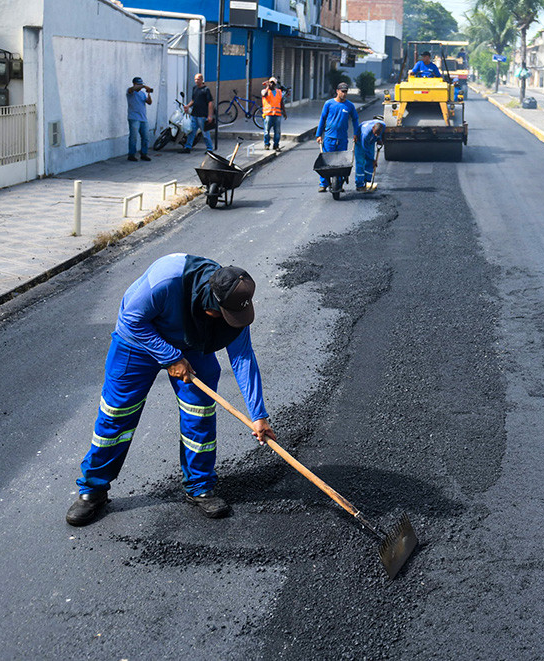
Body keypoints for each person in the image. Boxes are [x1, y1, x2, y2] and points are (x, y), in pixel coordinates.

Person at [66, 254, 277, 527]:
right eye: (225, 316)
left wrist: (258, 415)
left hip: (193, 342)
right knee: (117, 414)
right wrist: (170, 357)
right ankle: (92, 489)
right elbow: (132, 319)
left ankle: (199, 486)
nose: (230, 321)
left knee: (198, 413)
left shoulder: (234, 306)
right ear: (210, 303)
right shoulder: (167, 279)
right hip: (138, 341)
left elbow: (243, 358)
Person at [315, 82, 361, 192]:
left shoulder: (349, 105)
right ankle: (324, 184)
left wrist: (356, 133)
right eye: (342, 91)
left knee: (341, 164)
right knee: (326, 162)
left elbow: (355, 119)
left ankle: (339, 185)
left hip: (342, 139)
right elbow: (322, 119)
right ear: (337, 91)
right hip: (329, 138)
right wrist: (318, 134)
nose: (344, 94)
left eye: (346, 91)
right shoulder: (329, 104)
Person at [180, 73, 215, 154]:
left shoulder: (206, 90)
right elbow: (193, 100)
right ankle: (187, 147)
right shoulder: (194, 88)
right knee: (191, 132)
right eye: (195, 79)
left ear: (202, 80)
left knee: (205, 133)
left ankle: (209, 149)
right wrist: (187, 106)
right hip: (194, 115)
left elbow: (210, 103)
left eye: (198, 79)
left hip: (202, 116)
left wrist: (210, 115)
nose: (196, 81)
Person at [126, 77, 154, 162]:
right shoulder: (130, 91)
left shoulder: (142, 94)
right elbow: (133, 89)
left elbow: (149, 102)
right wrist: (144, 86)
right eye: (138, 84)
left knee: (145, 137)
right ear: (134, 84)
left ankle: (144, 154)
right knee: (133, 137)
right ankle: (131, 154)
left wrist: (149, 93)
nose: (140, 86)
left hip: (143, 118)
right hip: (134, 118)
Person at [355, 119, 385, 191]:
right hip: (360, 142)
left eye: (378, 134)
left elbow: (379, 134)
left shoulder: (383, 126)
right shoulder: (365, 134)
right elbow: (365, 148)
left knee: (370, 163)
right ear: (372, 128)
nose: (376, 135)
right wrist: (372, 159)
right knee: (361, 162)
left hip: (371, 141)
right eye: (375, 133)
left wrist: (379, 139)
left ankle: (367, 181)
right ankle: (359, 185)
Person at [261, 77, 287, 151]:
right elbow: (264, 95)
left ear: (275, 84)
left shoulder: (279, 92)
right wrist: (267, 87)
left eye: (273, 83)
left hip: (277, 115)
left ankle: (276, 145)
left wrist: (284, 112)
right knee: (266, 131)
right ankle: (266, 144)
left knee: (277, 132)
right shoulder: (265, 91)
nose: (271, 84)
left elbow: (281, 103)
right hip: (268, 115)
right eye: (270, 82)